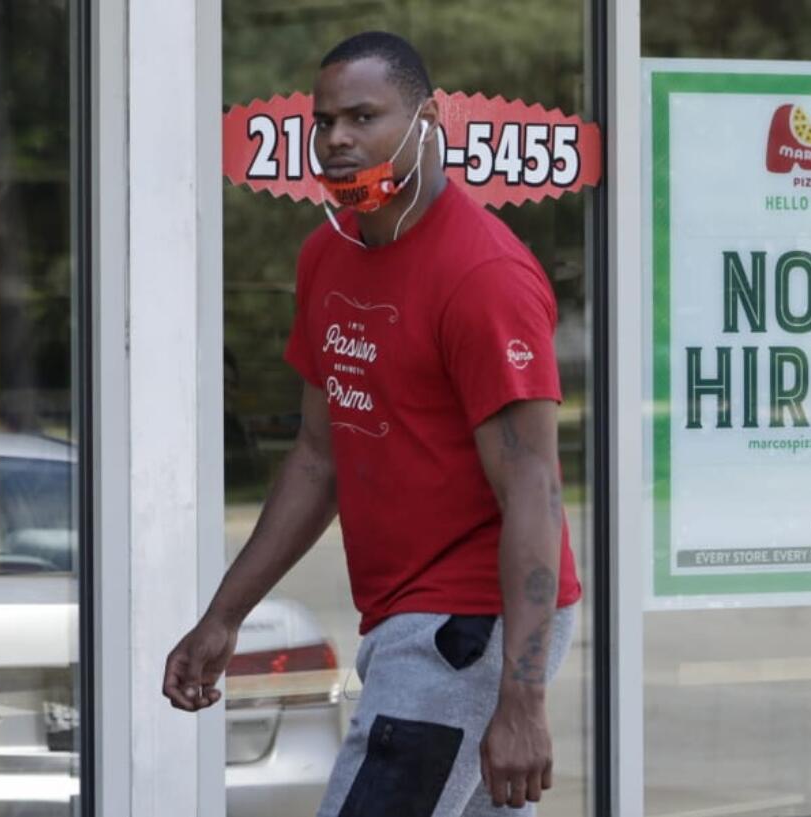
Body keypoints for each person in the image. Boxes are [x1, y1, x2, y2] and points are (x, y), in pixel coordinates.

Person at [162, 31, 582, 816]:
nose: (339, 141)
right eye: (325, 122)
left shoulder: (484, 277)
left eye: (363, 116)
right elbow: (319, 455)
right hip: (400, 613)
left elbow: (535, 489)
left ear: (428, 121)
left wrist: (521, 701)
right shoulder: (328, 255)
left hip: (468, 624)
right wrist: (224, 616)